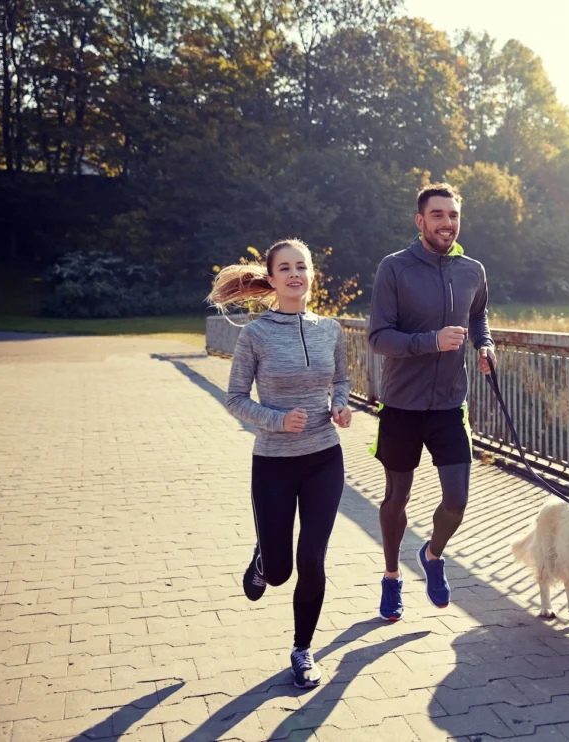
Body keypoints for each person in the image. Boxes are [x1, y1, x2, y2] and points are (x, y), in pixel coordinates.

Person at [207, 239, 352, 688]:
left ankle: (302, 649)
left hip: (324, 459)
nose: (294, 274)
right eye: (285, 268)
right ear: (270, 279)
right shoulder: (255, 335)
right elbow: (234, 398)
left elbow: (342, 379)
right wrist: (278, 420)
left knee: (312, 559)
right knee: (279, 572)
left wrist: (340, 406)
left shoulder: (330, 329)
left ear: (311, 275)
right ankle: (263, 560)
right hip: (274, 463)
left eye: (301, 267)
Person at [368, 183, 495, 621]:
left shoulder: (472, 270)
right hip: (401, 406)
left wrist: (484, 344)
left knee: (457, 501)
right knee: (396, 498)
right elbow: (379, 337)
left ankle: (432, 555)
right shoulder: (394, 268)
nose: (447, 223)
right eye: (437, 215)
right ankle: (391, 576)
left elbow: (477, 315)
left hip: (450, 405)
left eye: (453, 215)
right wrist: (431, 341)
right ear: (420, 220)